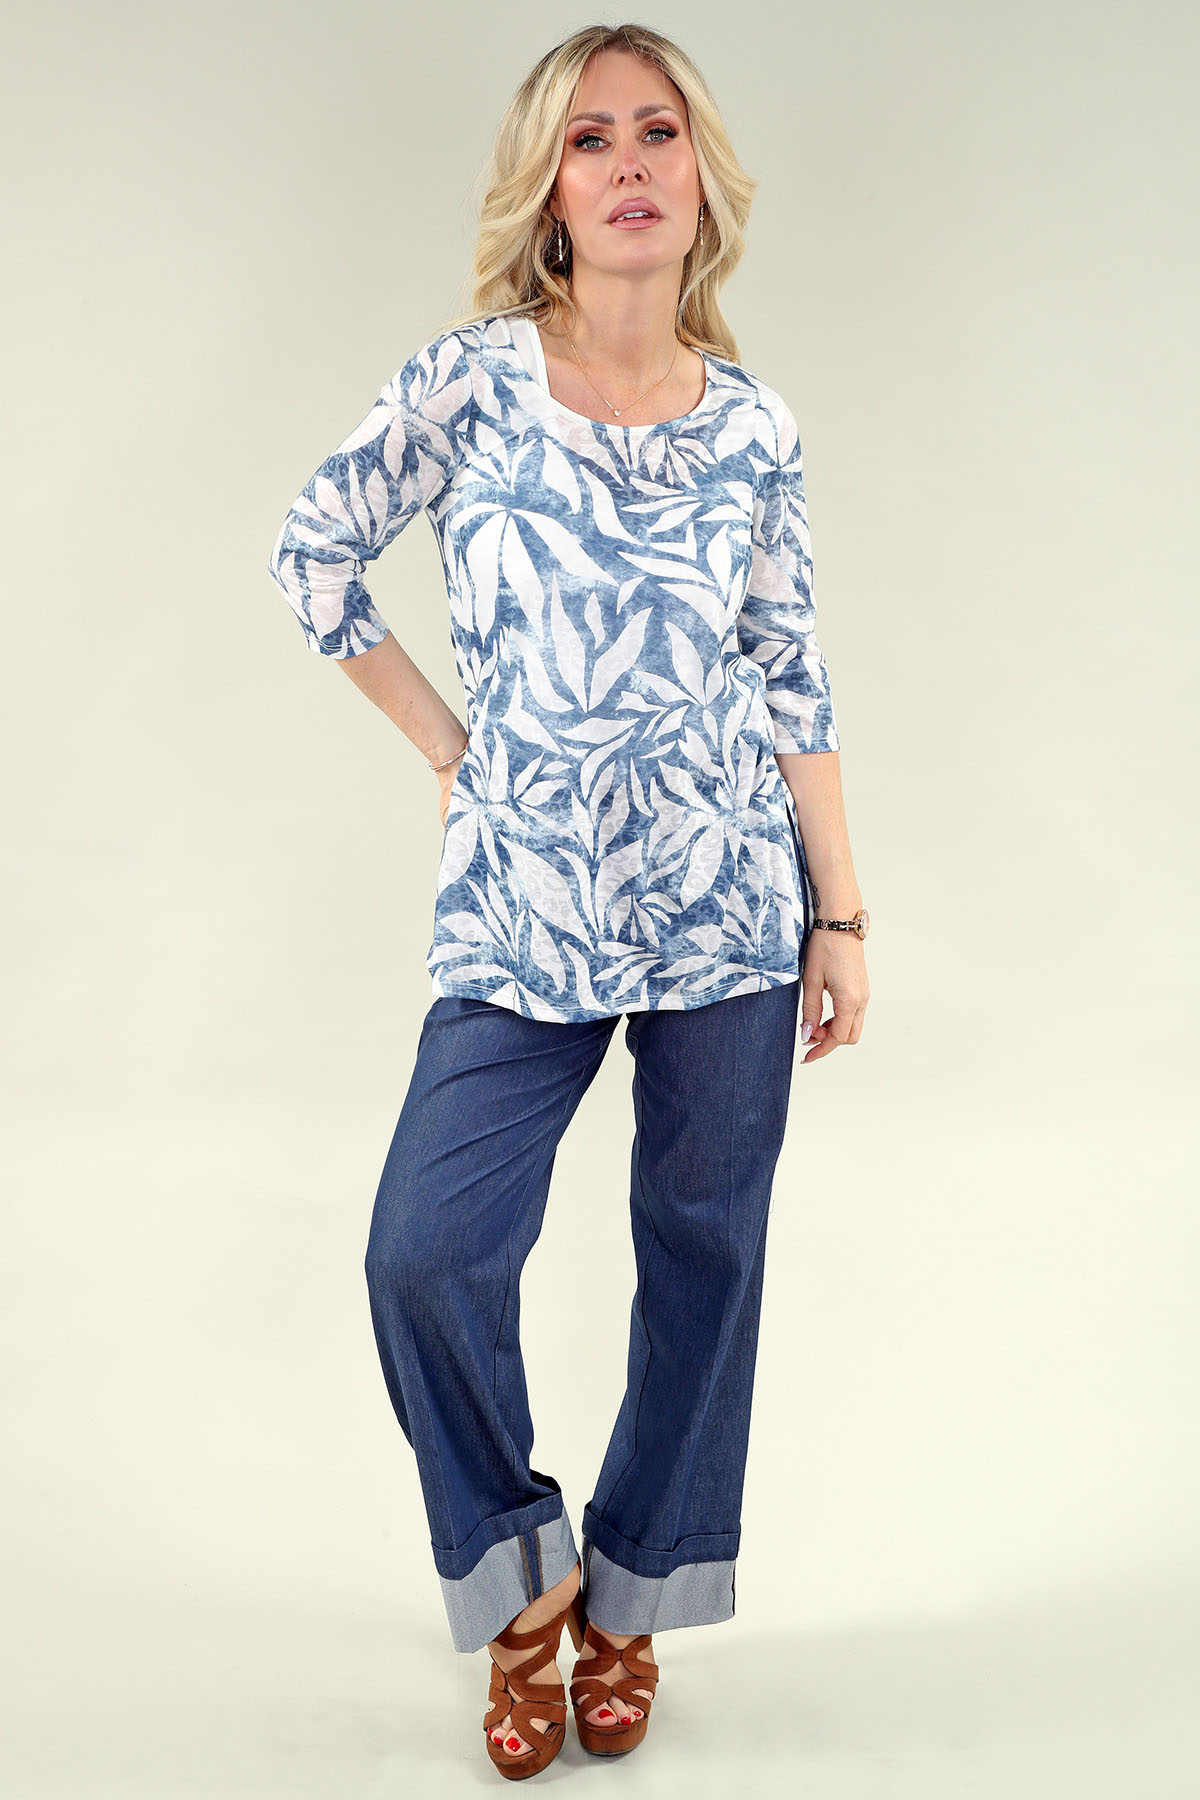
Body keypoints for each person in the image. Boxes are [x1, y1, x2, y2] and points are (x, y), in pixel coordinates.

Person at [266, 19, 869, 1782]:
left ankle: (634, 1601)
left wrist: (840, 913)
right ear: (547, 189)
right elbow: (313, 552)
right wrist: (455, 749)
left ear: (701, 179)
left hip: (728, 907)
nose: (625, 165)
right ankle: (523, 1581)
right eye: (588, 138)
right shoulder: (468, 384)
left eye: (655, 133)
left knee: (707, 1251)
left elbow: (794, 675)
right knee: (425, 1248)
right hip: (522, 912)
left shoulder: (754, 426)